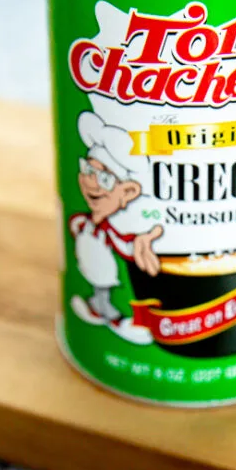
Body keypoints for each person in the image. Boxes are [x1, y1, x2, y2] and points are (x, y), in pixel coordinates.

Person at [69, 111, 162, 344]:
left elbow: (126, 244)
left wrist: (143, 242)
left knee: (104, 279)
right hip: (90, 258)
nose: (92, 182)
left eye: (105, 179)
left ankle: (114, 316)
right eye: (89, 171)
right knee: (94, 276)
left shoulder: (116, 229)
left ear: (128, 192)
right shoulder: (93, 222)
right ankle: (96, 307)